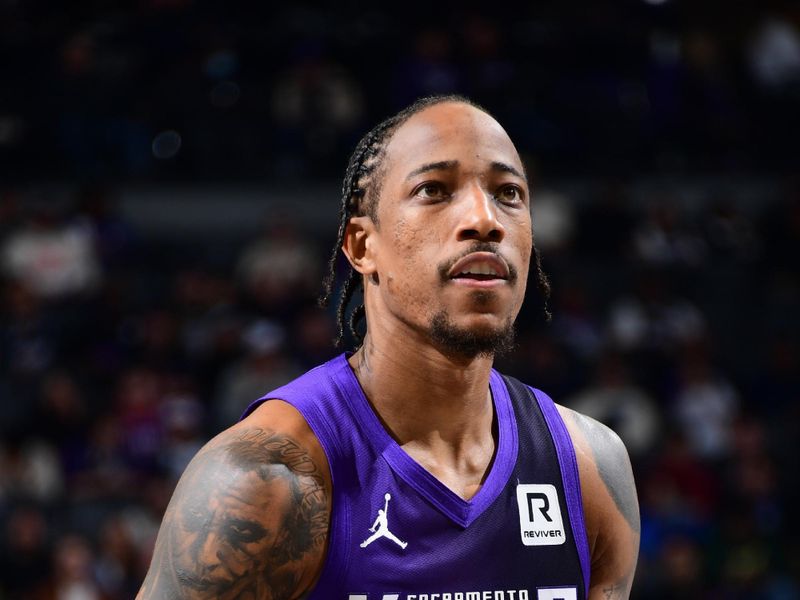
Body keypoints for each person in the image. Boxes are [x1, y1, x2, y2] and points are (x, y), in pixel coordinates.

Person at [137, 95, 640, 599]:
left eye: (509, 192)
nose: (485, 219)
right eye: (434, 190)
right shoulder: (264, 480)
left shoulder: (589, 467)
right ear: (362, 246)